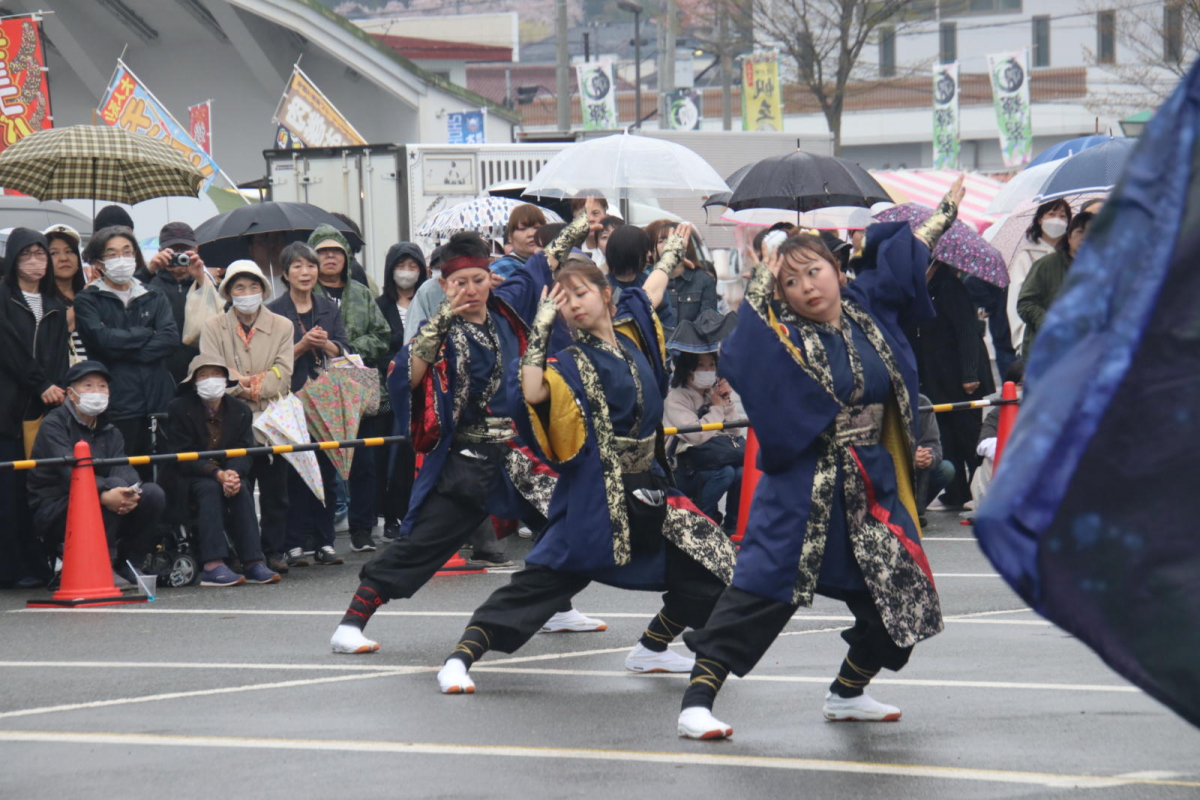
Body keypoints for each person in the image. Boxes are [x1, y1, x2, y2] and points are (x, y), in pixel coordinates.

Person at [674, 181, 964, 741]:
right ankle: (696, 701)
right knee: (761, 593)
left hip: (871, 484)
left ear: (836, 268)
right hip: (804, 486)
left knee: (903, 592)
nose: (806, 286)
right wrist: (765, 266)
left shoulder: (866, 311)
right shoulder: (780, 334)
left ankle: (847, 692)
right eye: (790, 280)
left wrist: (941, 217)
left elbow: (903, 267)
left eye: (814, 271)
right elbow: (742, 347)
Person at [430, 235, 738, 695]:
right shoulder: (567, 362)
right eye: (563, 297)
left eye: (581, 293)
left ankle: (652, 648)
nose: (572, 304)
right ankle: (460, 658)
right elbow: (530, 393)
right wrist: (540, 322)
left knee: (715, 561)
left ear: (606, 296)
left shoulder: (636, 345)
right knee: (541, 584)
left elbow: (650, 290)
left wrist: (671, 252)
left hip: (651, 487)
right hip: (595, 496)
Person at [27, 360, 166, 583]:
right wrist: (105, 492)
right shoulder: (54, 424)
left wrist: (131, 490)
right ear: (71, 394)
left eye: (102, 386)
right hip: (55, 506)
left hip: (102, 493)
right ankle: (101, 565)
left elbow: (123, 466)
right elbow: (69, 473)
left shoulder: (110, 429)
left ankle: (130, 563)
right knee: (109, 491)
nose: (97, 392)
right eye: (88, 386)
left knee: (152, 494)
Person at [199, 260, 295, 575]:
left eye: (253, 286)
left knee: (276, 489)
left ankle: (274, 550)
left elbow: (282, 375)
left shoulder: (282, 325)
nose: (247, 293)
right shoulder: (214, 326)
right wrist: (243, 383)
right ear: (228, 291)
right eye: (239, 287)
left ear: (263, 290)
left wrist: (242, 382)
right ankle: (242, 552)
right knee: (237, 486)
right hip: (230, 420)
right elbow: (214, 375)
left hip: (273, 419)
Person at [308, 224, 392, 553]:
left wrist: (344, 348)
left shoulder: (360, 292)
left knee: (365, 465)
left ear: (345, 257)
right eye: (323, 252)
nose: (330, 257)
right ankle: (321, 535)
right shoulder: (306, 292)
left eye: (336, 252)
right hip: (318, 387)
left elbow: (382, 335)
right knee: (325, 464)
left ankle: (362, 529)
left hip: (358, 388)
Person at [74, 226, 180, 481]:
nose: (121, 259)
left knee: (162, 474)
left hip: (157, 398)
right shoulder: (88, 299)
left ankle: (166, 521)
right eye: (112, 253)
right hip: (118, 401)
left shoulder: (153, 294)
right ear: (98, 261)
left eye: (127, 252)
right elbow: (102, 340)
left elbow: (169, 339)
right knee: (122, 474)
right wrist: (145, 335)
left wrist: (122, 348)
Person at [266, 243, 349, 567]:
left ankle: (325, 541)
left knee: (327, 471)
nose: (306, 272)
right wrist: (301, 345)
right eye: (298, 267)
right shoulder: (274, 310)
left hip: (325, 400)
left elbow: (345, 348)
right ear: (286, 274)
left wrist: (326, 344)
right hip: (289, 400)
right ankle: (294, 543)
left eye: (310, 266)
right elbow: (271, 359)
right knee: (294, 473)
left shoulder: (328, 307)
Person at [167, 355, 281, 587]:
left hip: (226, 471)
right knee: (210, 488)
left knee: (241, 487)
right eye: (204, 375)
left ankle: (253, 561)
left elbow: (244, 449)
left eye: (217, 374)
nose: (211, 380)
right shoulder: (178, 408)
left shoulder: (239, 409)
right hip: (190, 475)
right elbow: (181, 454)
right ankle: (213, 564)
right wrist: (215, 473)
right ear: (194, 381)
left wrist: (232, 474)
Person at [0, 228, 69, 588]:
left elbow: (58, 356)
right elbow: (8, 349)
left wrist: (55, 387)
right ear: (13, 260)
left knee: (38, 489)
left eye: (40, 254)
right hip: (9, 410)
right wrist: (40, 384)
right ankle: (10, 568)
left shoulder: (56, 304)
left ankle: (37, 562)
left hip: (44, 411)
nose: (35, 262)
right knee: (8, 493)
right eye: (26, 255)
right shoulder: (4, 297)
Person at [905, 261, 994, 510]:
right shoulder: (923, 288)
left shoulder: (950, 287)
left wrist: (969, 374)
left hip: (962, 375)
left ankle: (980, 490)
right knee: (945, 436)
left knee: (968, 435)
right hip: (937, 376)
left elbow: (967, 330)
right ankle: (956, 493)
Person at [376, 243, 427, 540]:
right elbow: (378, 348)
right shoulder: (380, 305)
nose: (406, 273)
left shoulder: (429, 298)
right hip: (391, 390)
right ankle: (391, 514)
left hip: (424, 387)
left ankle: (416, 512)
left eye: (413, 266)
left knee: (417, 453)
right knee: (393, 455)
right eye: (401, 265)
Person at [665, 351, 743, 534]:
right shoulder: (676, 398)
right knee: (726, 473)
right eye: (701, 366)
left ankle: (732, 526)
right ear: (687, 369)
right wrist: (716, 409)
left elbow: (735, 430)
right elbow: (695, 436)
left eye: (712, 365)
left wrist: (725, 401)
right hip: (684, 468)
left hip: (709, 460)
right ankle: (701, 522)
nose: (707, 370)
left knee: (740, 472)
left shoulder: (712, 394)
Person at [1018, 211, 1095, 359]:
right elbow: (1026, 303)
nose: (1085, 237)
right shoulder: (1046, 265)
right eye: (1080, 232)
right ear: (1069, 237)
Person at [1006, 199, 1071, 355]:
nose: (1057, 220)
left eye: (1062, 216)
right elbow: (1018, 299)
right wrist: (1021, 339)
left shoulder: (1073, 256)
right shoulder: (1026, 255)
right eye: (1051, 214)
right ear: (1040, 220)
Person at [146, 222, 208, 385]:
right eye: (174, 250)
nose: (179, 256)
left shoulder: (204, 283)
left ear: (195, 251)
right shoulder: (150, 284)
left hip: (199, 371)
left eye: (185, 250)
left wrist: (201, 279)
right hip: (160, 370)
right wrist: (149, 270)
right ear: (161, 252)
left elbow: (222, 313)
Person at [971, 360, 1024, 508]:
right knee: (990, 460)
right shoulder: (998, 413)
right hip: (1008, 472)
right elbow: (983, 443)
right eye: (1021, 384)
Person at [605, 224, 679, 329]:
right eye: (645, 250)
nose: (649, 254)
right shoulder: (603, 287)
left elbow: (667, 323)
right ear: (630, 251)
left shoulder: (651, 281)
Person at [646, 219, 717, 326]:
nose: (668, 245)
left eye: (673, 240)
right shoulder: (649, 279)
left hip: (690, 342)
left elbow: (708, 325)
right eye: (661, 241)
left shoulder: (704, 281)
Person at [44, 224, 87, 362]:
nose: (64, 258)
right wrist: (86, 296)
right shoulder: (41, 299)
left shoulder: (90, 292)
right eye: (54, 253)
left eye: (69, 251)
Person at [914, 393, 955, 525]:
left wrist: (928, 457)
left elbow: (933, 444)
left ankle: (915, 510)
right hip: (890, 463)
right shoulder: (879, 397)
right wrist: (909, 456)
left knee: (946, 469)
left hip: (917, 466)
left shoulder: (921, 401)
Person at [490, 204, 547, 279]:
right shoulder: (499, 269)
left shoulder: (553, 263)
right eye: (522, 229)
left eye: (537, 228)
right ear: (510, 236)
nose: (531, 234)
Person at [570, 196, 610, 267]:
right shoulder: (571, 253)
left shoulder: (618, 249)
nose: (590, 219)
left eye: (595, 213)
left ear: (606, 216)